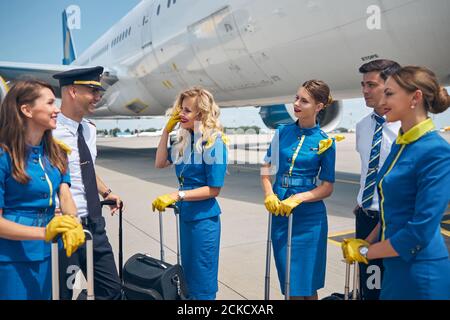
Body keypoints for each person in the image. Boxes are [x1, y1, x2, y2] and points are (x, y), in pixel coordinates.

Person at [342, 66, 450, 300]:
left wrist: (366, 251)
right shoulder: (401, 145)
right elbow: (390, 208)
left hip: (420, 273)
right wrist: (366, 240)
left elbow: (419, 231)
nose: (383, 99)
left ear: (415, 98)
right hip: (395, 267)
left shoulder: (437, 152)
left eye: (389, 93)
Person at [0, 80, 84, 300]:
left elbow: (65, 196)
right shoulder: (3, 156)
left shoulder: (56, 153)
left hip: (47, 253)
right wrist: (43, 233)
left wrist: (72, 223)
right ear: (26, 109)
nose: (56, 109)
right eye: (49, 103)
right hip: (10, 257)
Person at [261, 80, 337, 300]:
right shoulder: (282, 132)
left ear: (319, 106)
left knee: (308, 284)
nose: (296, 103)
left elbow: (327, 187)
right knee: (290, 284)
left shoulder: (325, 141)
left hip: (310, 218)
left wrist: (299, 198)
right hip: (280, 212)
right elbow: (266, 168)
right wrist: (269, 194)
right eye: (296, 98)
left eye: (304, 100)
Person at [52, 67, 123, 300]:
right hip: (64, 228)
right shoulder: (49, 132)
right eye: (92, 90)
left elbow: (87, 168)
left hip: (95, 225)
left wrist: (107, 192)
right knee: (64, 294)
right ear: (73, 91)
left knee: (111, 291)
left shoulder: (90, 130)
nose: (98, 97)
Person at [152, 87, 228, 300]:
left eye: (187, 110)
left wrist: (178, 196)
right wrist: (166, 132)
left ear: (201, 114)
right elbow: (159, 163)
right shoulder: (183, 139)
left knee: (202, 282)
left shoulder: (214, 142)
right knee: (189, 281)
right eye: (180, 109)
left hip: (204, 220)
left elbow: (214, 189)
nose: (181, 115)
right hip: (186, 217)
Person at [354, 59, 401, 300]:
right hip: (365, 218)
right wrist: (362, 201)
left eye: (371, 85)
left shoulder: (405, 130)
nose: (364, 90)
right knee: (370, 289)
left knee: (393, 290)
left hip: (392, 223)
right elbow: (367, 171)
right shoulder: (362, 127)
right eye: (363, 84)